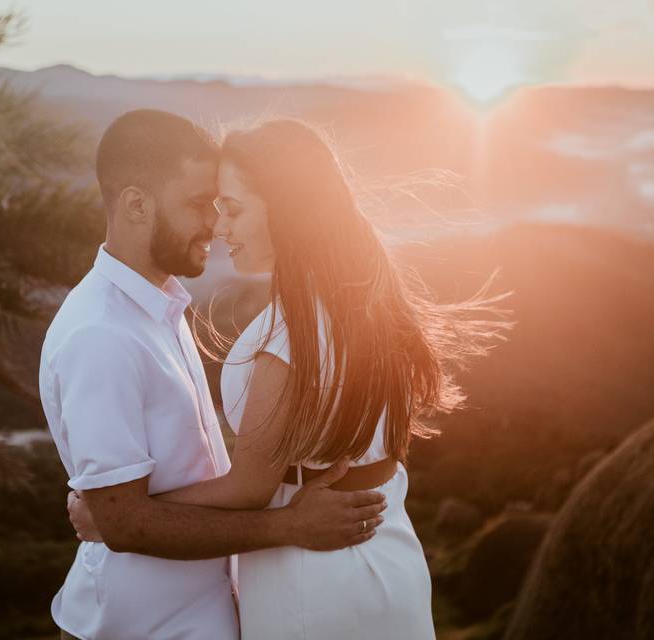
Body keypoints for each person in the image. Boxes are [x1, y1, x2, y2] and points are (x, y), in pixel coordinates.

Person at [69, 118, 512, 638]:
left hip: (313, 574)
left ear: (285, 211)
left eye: (232, 209)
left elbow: (249, 489)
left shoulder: (290, 336)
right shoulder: (365, 303)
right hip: (386, 549)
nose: (219, 227)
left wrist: (117, 519)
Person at [40, 110, 389, 640]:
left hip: (196, 612)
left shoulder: (158, 307)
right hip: (137, 625)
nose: (216, 225)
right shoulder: (101, 334)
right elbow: (124, 522)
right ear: (137, 204)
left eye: (224, 205)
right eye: (199, 205)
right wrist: (289, 526)